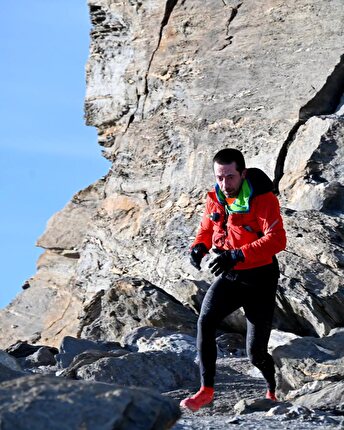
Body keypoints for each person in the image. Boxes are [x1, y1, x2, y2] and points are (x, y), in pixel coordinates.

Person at [180, 148, 287, 412]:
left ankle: (273, 389)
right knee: (205, 321)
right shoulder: (216, 198)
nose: (225, 183)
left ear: (242, 173)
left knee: (255, 353)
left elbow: (277, 240)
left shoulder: (263, 199)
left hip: (261, 278)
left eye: (230, 177)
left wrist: (238, 253)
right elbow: (207, 229)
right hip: (231, 273)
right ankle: (206, 390)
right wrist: (199, 247)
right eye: (220, 177)